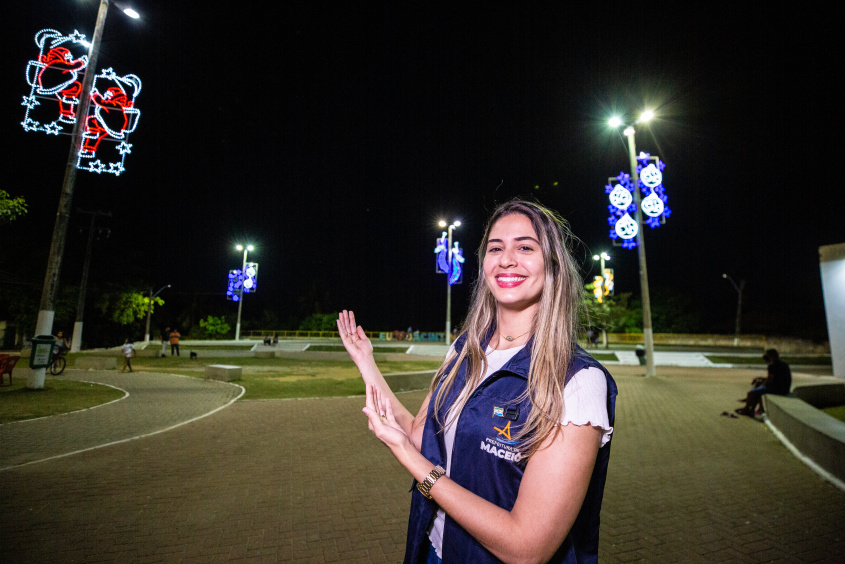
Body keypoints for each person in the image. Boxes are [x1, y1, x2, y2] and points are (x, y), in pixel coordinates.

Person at [338, 199, 617, 563]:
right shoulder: (463, 351)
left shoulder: (579, 381)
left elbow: (527, 548)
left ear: (552, 265)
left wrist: (407, 457)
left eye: (525, 247)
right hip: (431, 551)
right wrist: (366, 362)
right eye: (495, 248)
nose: (506, 259)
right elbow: (418, 435)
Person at [736, 349, 792, 416]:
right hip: (784, 389)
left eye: (766, 357)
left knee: (751, 392)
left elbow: (769, 381)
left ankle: (747, 409)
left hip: (777, 389)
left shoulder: (772, 366)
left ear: (771, 357)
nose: (765, 360)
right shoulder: (784, 364)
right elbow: (776, 378)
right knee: (758, 385)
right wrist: (761, 380)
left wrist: (761, 385)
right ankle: (754, 409)